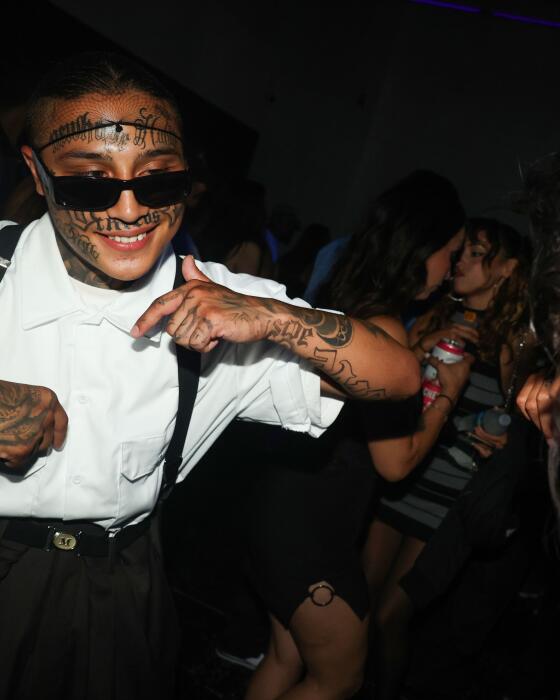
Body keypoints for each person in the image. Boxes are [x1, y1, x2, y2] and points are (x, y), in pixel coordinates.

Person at [0, 51, 420, 700]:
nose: (131, 207)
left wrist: (273, 317)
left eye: (159, 180)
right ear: (38, 172)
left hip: (123, 584)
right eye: (91, 182)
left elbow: (396, 379)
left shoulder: (218, 301)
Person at [244, 170, 466, 700]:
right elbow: (395, 463)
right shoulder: (386, 328)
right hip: (312, 531)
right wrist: (449, 393)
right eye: (450, 253)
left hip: (278, 506)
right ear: (422, 246)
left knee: (287, 656)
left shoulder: (347, 298)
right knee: (340, 680)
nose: (451, 268)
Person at [366, 217, 533, 699]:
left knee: (390, 617)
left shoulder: (516, 342)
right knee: (359, 603)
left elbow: (524, 419)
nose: (459, 261)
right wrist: (423, 342)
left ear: (506, 269)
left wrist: (506, 438)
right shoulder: (439, 314)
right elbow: (394, 375)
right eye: (460, 251)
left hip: (451, 500)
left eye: (476, 253)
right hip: (403, 475)